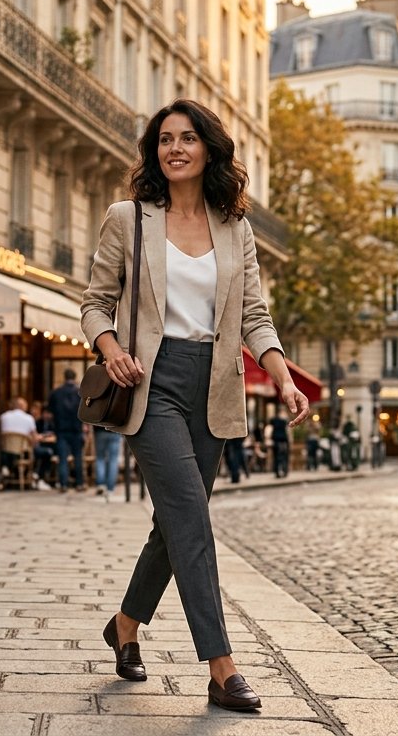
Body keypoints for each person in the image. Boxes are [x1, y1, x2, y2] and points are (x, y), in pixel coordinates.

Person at [81, 98, 310, 711]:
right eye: (163, 140)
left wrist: (283, 377)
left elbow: (254, 317)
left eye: (186, 138)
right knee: (191, 519)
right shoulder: (128, 218)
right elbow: (95, 304)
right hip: (149, 385)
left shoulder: (235, 228)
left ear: (209, 148)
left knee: (173, 523)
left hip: (214, 384)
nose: (174, 148)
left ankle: (125, 628)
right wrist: (109, 350)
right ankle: (221, 666)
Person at [47, 369, 86, 492]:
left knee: (62, 458)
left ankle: (63, 484)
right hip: (76, 429)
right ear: (74, 377)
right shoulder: (80, 392)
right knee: (78, 457)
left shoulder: (56, 393)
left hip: (61, 429)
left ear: (64, 377)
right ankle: (79, 483)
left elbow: (50, 412)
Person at [0, 397, 38, 480]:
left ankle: (6, 469)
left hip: (5, 450)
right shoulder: (29, 418)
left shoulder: (3, 416)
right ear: (23, 406)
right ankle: (30, 475)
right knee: (39, 452)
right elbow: (35, 437)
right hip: (23, 452)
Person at [93, 425, 124, 497]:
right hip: (115, 430)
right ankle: (110, 488)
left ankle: (101, 484)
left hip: (100, 429)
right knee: (113, 460)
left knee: (100, 458)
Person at [269, 408, 290, 478]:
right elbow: (288, 430)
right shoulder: (285, 420)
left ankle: (277, 472)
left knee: (276, 457)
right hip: (283, 441)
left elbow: (270, 426)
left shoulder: (273, 420)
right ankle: (284, 471)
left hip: (276, 440)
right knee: (283, 456)